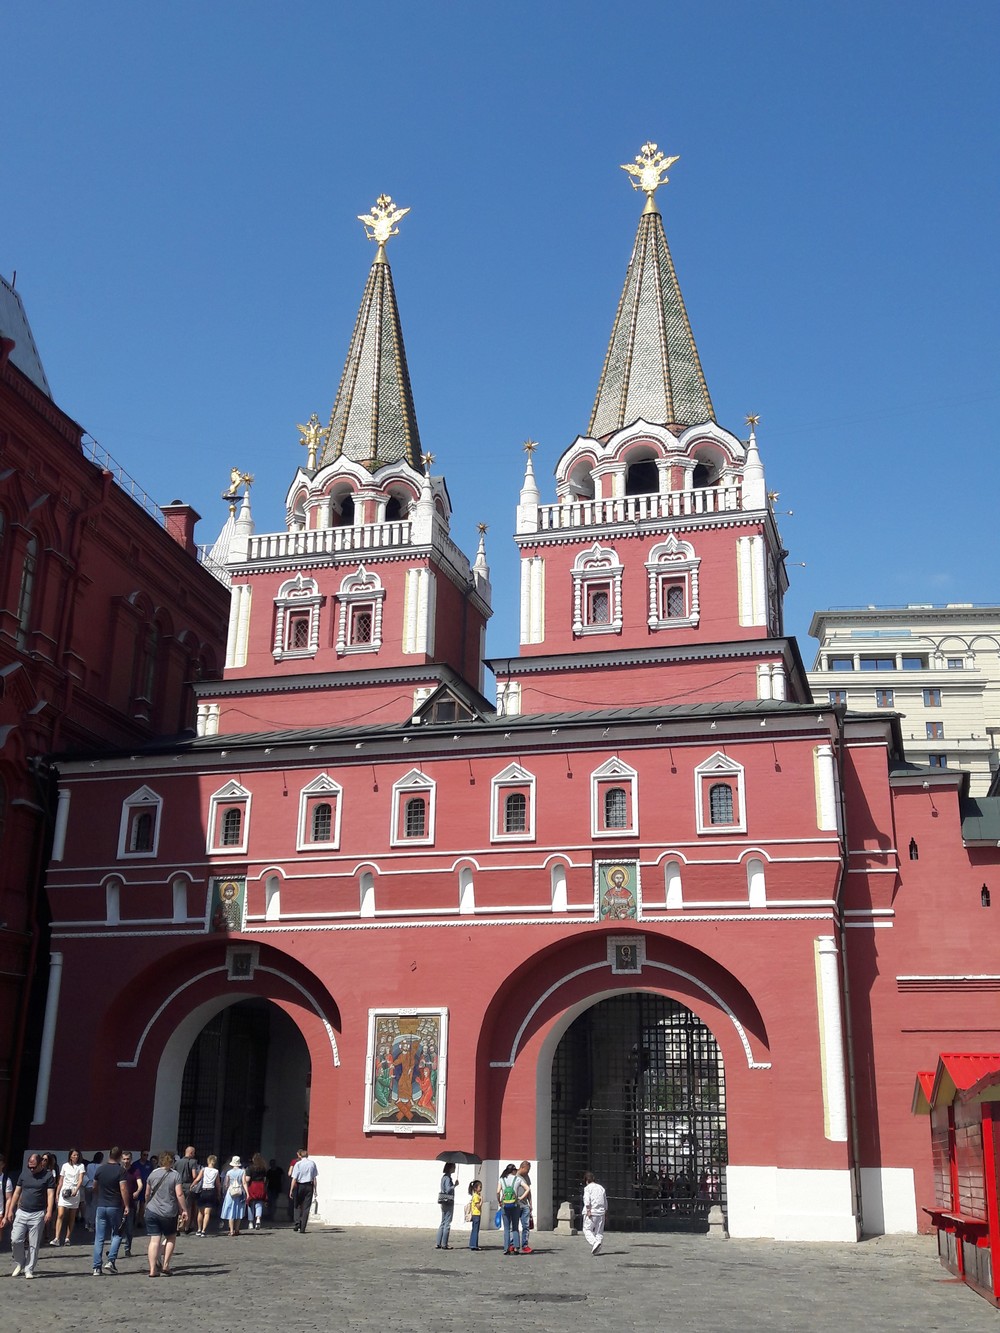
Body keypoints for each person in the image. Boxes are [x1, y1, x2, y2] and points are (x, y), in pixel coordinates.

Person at [6, 1153, 55, 1277]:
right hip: (22, 1211)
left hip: (38, 1213)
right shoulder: (24, 1174)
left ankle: (29, 1269)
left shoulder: (48, 1176)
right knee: (15, 1240)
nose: (31, 1169)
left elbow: (50, 1194)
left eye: (34, 1167)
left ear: (41, 1164)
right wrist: (11, 1209)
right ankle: (20, 1262)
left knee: (34, 1244)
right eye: (30, 1167)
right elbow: (17, 1193)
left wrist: (49, 1211)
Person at [144, 1151, 187, 1276]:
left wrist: (146, 1205)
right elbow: (179, 1194)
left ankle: (152, 1269)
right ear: (172, 1161)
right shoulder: (175, 1175)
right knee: (171, 1237)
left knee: (154, 1240)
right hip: (169, 1212)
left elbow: (147, 1193)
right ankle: (166, 1265)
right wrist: (184, 1209)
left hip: (152, 1210)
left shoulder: (153, 1174)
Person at [91, 1145, 130, 1276]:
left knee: (99, 1237)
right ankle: (111, 1260)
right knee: (117, 1234)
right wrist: (127, 1205)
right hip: (115, 1205)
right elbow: (123, 1188)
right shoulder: (121, 1171)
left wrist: (100, 1196)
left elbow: (94, 1186)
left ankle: (96, 1267)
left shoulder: (100, 1169)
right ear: (119, 1157)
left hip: (101, 1205)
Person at [53, 1148, 85, 1246]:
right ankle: (57, 1238)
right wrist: (57, 1193)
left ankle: (67, 1238)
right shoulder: (65, 1166)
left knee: (72, 1216)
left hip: (74, 1191)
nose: (76, 1157)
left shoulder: (81, 1166)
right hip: (65, 1191)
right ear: (70, 1156)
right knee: (60, 1214)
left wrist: (76, 1189)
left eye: (77, 1155)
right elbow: (61, 1180)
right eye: (74, 1155)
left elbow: (80, 1179)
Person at [289, 1148, 318, 1233]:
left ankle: (297, 1222)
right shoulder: (312, 1163)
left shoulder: (298, 1164)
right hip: (309, 1186)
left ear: (300, 1156)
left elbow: (294, 1178)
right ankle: (303, 1228)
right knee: (306, 1207)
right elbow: (314, 1178)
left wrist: (291, 1190)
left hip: (300, 1186)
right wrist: (315, 1190)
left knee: (297, 1204)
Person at [121, 1150, 143, 1256]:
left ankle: (127, 1248)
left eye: (128, 1159)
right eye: (124, 1159)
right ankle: (114, 1249)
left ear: (131, 1159)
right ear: (121, 1160)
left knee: (129, 1228)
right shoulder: (119, 1170)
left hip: (130, 1203)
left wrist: (137, 1191)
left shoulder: (135, 1170)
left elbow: (140, 1184)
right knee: (117, 1228)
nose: (126, 1161)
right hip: (118, 1203)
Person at [220, 1156, 248, 1237]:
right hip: (239, 1192)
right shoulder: (242, 1172)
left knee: (230, 1211)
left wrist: (225, 1191)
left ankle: (231, 1230)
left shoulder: (229, 1172)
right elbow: (244, 1183)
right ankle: (237, 1229)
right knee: (239, 1210)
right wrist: (247, 1192)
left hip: (230, 1193)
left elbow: (226, 1184)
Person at [192, 1154, 220, 1236]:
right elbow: (218, 1184)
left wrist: (192, 1185)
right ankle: (203, 1231)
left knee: (200, 1212)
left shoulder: (203, 1169)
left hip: (203, 1191)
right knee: (207, 1213)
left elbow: (197, 1179)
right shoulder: (216, 1171)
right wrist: (219, 1193)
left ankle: (199, 1229)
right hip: (211, 1191)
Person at [497, 1163, 521, 1255]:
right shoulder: (517, 1179)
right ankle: (516, 1248)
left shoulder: (502, 1179)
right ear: (513, 1171)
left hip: (505, 1205)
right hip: (515, 1205)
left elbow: (498, 1192)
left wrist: (499, 1201)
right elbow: (527, 1189)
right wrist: (520, 1197)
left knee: (506, 1228)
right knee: (515, 1227)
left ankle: (506, 1248)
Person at [582, 1171, 608, 1255]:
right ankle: (597, 1247)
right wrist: (605, 1211)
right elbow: (605, 1200)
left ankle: (595, 1243)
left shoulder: (587, 1188)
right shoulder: (601, 1188)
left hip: (592, 1212)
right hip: (601, 1212)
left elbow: (587, 1199)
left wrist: (588, 1210)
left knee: (587, 1229)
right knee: (599, 1231)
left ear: (586, 1181)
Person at [176, 1146, 200, 1233]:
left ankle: (177, 1227)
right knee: (188, 1207)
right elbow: (194, 1175)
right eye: (194, 1153)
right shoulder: (193, 1162)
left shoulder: (178, 1162)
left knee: (178, 1206)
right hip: (188, 1185)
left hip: (178, 1185)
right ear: (191, 1153)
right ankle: (186, 1227)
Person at [435, 1162, 456, 1249]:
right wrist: (454, 1186)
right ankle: (444, 1243)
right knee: (447, 1222)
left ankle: (438, 1242)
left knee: (443, 1222)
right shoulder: (448, 1178)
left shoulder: (443, 1177)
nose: (454, 1169)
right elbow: (448, 1189)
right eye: (453, 1167)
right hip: (448, 1201)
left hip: (443, 1200)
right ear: (450, 1168)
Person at [246, 1153, 268, 1230]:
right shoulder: (263, 1168)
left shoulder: (250, 1168)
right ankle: (258, 1219)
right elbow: (265, 1179)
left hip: (253, 1185)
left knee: (250, 1203)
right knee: (259, 1203)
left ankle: (250, 1222)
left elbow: (247, 1179)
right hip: (261, 1186)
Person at [516, 1160, 533, 1254]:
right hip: (516, 1204)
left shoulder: (526, 1177)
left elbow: (529, 1191)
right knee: (514, 1226)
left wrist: (530, 1203)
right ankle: (514, 1244)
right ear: (522, 1167)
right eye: (527, 1170)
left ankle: (525, 1245)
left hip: (525, 1204)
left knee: (526, 1226)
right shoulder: (515, 1176)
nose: (528, 1172)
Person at [467, 1179, 484, 1251]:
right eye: (480, 1187)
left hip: (476, 1214)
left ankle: (473, 1244)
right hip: (476, 1214)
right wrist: (482, 1200)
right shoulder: (476, 1196)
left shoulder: (475, 1195)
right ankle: (474, 1245)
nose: (481, 1188)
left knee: (475, 1229)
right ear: (475, 1188)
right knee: (475, 1230)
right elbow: (478, 1206)